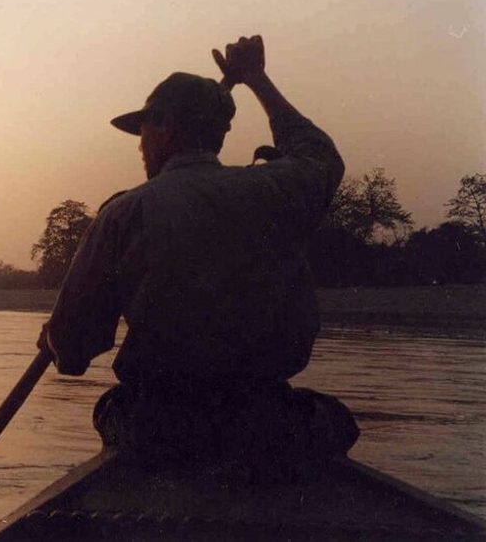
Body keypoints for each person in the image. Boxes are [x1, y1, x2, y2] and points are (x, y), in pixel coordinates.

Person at [38, 35, 359, 468]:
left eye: (143, 132)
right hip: (268, 425)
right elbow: (318, 153)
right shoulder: (278, 187)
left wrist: (54, 338)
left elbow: (73, 353)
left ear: (166, 129)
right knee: (332, 419)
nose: (139, 146)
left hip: (163, 430)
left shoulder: (123, 212)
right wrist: (257, 80)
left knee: (111, 408)